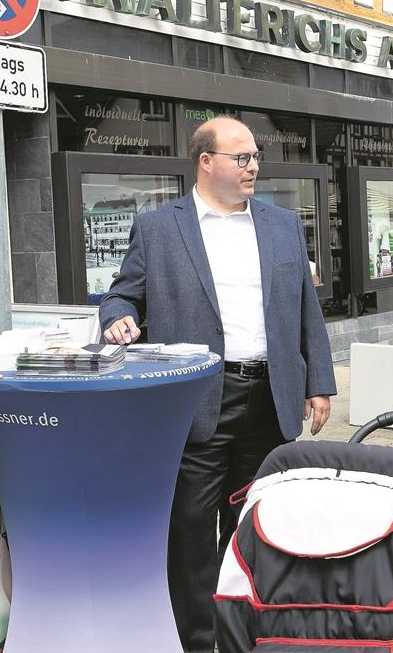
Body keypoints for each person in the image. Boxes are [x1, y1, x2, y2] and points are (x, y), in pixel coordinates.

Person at [99, 116, 336, 652]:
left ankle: (254, 630)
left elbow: (305, 310)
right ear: (206, 162)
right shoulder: (160, 228)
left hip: (269, 395)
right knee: (189, 527)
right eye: (241, 158)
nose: (253, 166)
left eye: (255, 157)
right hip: (197, 400)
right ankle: (198, 640)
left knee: (257, 522)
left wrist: (317, 381)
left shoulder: (280, 225)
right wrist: (115, 318)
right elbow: (122, 295)